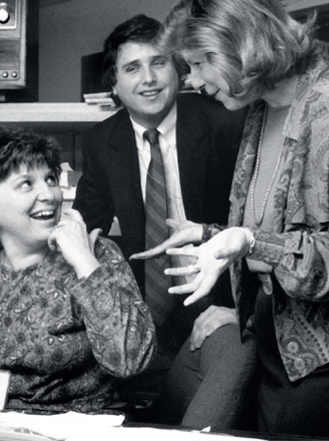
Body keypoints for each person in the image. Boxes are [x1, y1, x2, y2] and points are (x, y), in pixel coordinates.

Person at [137, 0, 329, 438]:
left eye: (197, 63)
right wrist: (214, 235)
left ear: (241, 46)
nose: (191, 81)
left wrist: (247, 241)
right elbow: (281, 234)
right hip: (280, 349)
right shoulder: (260, 111)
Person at [72, 14, 252, 429]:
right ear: (113, 85)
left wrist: (241, 309)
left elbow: (252, 224)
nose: (149, 79)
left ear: (179, 69)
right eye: (132, 68)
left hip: (219, 305)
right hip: (143, 317)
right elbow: (87, 229)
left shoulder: (225, 122)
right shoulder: (102, 142)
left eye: (159, 63)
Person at [0, 126, 156, 414]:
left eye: (50, 179)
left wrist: (83, 260)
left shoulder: (98, 254)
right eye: (27, 184)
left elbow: (130, 360)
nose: (50, 194)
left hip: (80, 429)